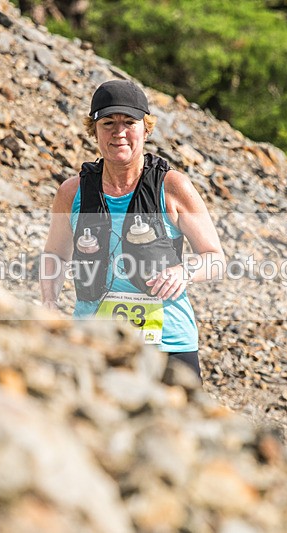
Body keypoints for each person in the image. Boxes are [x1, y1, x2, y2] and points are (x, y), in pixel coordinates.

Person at [40, 79, 224, 380]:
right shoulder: (71, 193)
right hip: (94, 341)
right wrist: (49, 302)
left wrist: (184, 272)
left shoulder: (173, 187)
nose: (119, 132)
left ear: (146, 129)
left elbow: (215, 258)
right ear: (94, 130)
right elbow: (55, 255)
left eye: (130, 122)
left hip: (168, 342)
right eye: (108, 122)